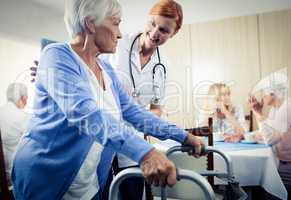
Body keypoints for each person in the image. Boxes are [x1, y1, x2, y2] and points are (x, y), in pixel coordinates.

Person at [11, 0, 204, 199]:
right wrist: (146, 153)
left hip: (89, 184)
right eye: (115, 23)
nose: (119, 33)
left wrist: (183, 136)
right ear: (90, 23)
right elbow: (87, 115)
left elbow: (134, 113)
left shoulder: (107, 70)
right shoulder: (57, 55)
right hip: (46, 180)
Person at [100, 0, 184, 199]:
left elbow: (156, 108)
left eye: (164, 30)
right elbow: (88, 69)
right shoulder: (117, 44)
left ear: (173, 34)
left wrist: (139, 118)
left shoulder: (164, 65)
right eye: (153, 24)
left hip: (133, 139)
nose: (155, 33)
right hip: (103, 133)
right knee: (102, 192)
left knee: (132, 194)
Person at [248, 69, 291, 194]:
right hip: (285, 162)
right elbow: (265, 133)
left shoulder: (287, 108)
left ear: (273, 93)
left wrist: (256, 111)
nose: (262, 97)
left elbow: (269, 139)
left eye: (263, 94)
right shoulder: (276, 109)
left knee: (258, 179)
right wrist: (242, 136)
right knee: (257, 175)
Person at [0, 83, 30, 187]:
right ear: (22, 98)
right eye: (26, 99)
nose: (26, 103)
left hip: (4, 176)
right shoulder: (22, 117)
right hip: (16, 177)